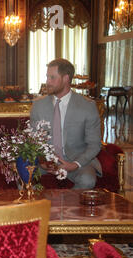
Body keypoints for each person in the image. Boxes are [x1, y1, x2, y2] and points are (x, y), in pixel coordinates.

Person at [30, 58, 102, 189]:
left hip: (77, 160)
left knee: (87, 180)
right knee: (22, 175)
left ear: (66, 78)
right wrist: (42, 161)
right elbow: (33, 141)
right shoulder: (38, 105)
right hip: (45, 162)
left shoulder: (87, 106)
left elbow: (94, 144)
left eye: (52, 77)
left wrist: (74, 164)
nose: (47, 82)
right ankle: (41, 208)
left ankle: (70, 209)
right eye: (47, 77)